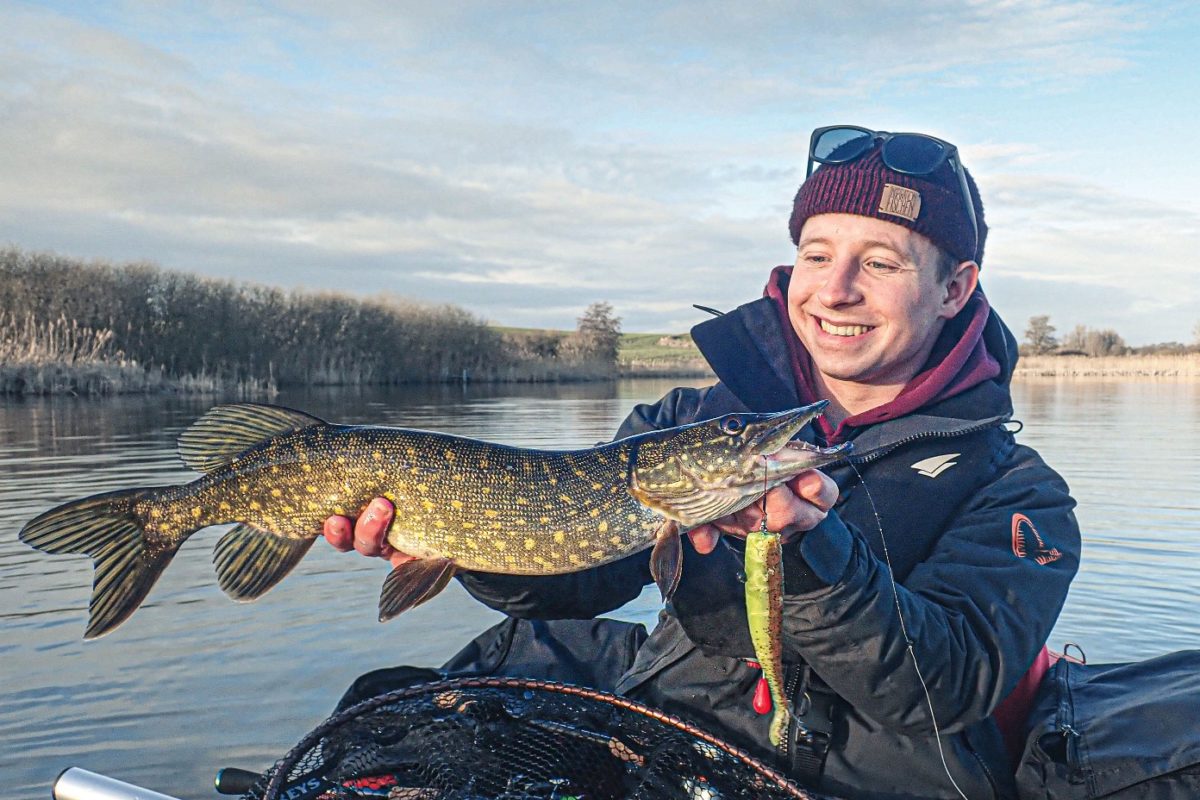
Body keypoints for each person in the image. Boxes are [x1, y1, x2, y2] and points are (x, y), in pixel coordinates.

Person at [322, 125, 1081, 799]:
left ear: (955, 288)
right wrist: (459, 537)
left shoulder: (1019, 494)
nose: (837, 289)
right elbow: (579, 580)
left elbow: (947, 686)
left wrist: (811, 554)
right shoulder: (685, 424)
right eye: (817, 254)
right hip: (660, 747)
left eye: (880, 263)